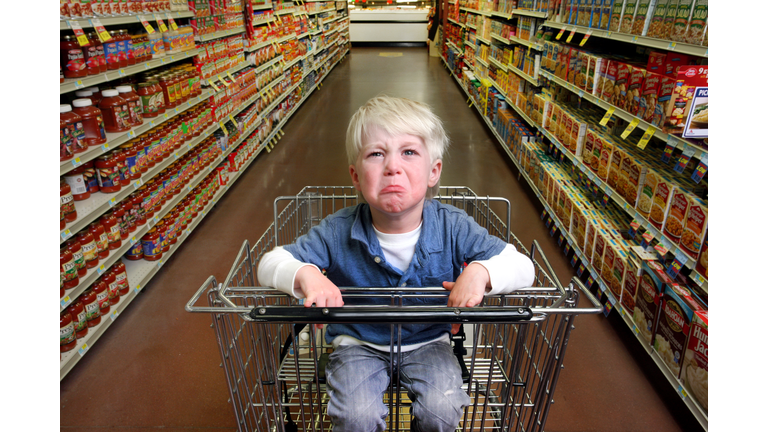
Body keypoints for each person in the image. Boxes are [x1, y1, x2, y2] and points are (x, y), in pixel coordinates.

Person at [257, 95, 535, 432]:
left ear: (434, 172)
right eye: (376, 154)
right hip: (357, 343)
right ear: (356, 175)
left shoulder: (453, 226)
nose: (392, 166)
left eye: (409, 152)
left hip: (430, 341)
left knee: (443, 408)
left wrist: (481, 271)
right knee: (355, 417)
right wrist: (306, 274)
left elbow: (522, 266)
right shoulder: (337, 230)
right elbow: (270, 262)